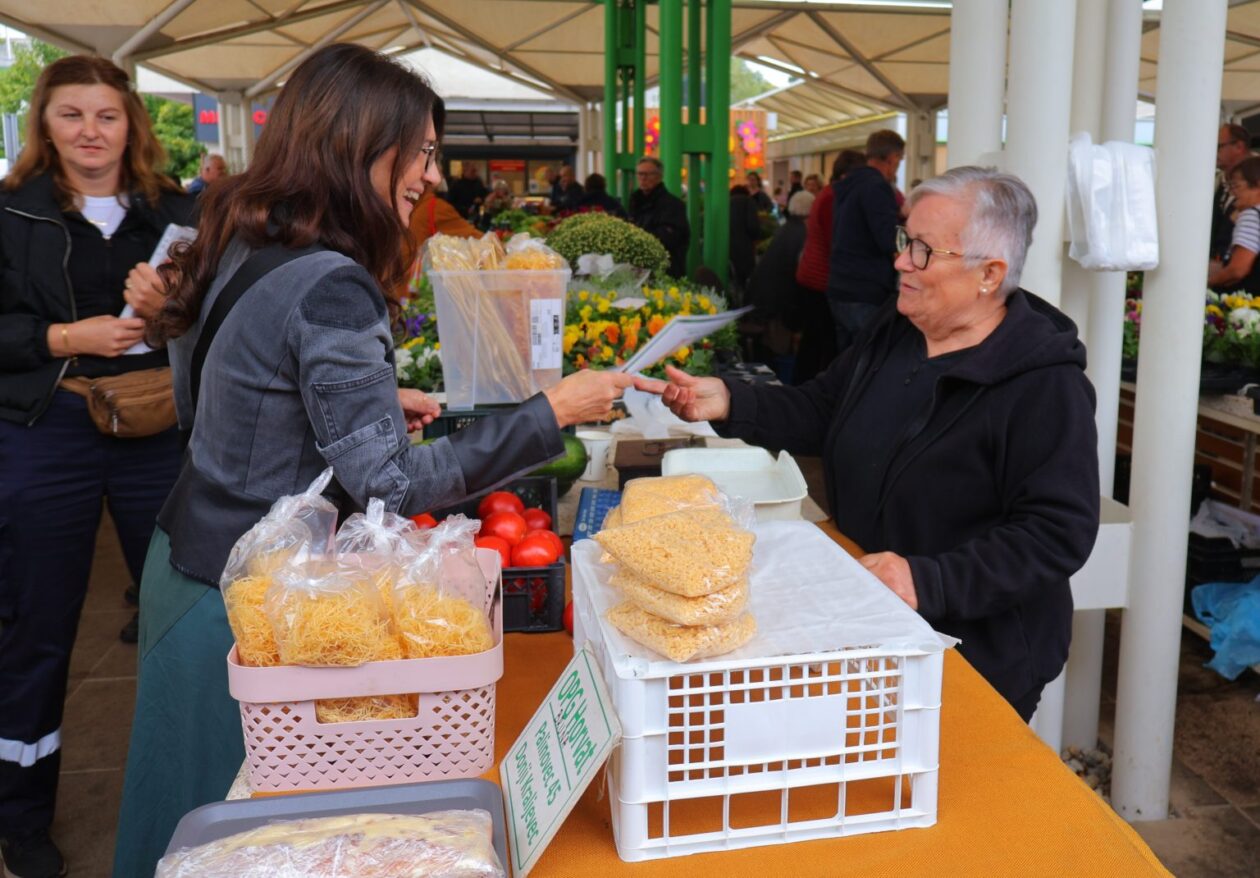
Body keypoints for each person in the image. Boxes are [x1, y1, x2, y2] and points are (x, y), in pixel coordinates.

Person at [110, 43, 634, 877]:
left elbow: (227, 382)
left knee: (183, 817)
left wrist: (367, 404)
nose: (431, 173)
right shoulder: (333, 282)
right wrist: (551, 414)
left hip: (196, 562)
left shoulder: (246, 239)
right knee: (218, 836)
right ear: (359, 144)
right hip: (239, 604)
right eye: (422, 151)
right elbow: (389, 486)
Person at [637, 167, 1100, 722]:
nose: (901, 261)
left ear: (989, 274)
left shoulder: (1044, 384)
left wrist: (926, 580)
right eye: (905, 240)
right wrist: (731, 402)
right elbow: (825, 408)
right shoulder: (898, 329)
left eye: (924, 250)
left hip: (976, 655)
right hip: (869, 621)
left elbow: (1056, 532)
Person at [0, 55, 194, 878]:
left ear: (131, 125)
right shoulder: (14, 215)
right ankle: (22, 815)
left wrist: (169, 310)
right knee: (37, 626)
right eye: (71, 115)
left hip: (158, 427)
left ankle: (197, 798)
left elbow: (222, 314)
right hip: (53, 425)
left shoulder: (178, 212)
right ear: (43, 123)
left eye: (106, 116)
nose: (89, 131)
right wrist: (61, 339)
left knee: (186, 614)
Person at [826, 129, 904, 351]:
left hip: (840, 285)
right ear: (892, 158)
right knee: (868, 363)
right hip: (864, 288)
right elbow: (888, 239)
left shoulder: (850, 184)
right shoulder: (876, 187)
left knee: (846, 366)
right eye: (899, 160)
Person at [793, 150, 865, 383]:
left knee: (814, 343)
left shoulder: (827, 194)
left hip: (812, 276)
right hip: (820, 279)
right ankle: (807, 394)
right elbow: (836, 240)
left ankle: (802, 389)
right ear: (846, 176)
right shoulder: (834, 198)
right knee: (820, 345)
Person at [629, 156, 690, 278]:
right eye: (640, 174)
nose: (643, 178)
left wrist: (636, 237)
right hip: (638, 268)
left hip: (665, 270)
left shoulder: (673, 205)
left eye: (648, 174)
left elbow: (671, 238)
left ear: (659, 176)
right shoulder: (635, 201)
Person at [1209, 156, 1260, 291]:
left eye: (1236, 186)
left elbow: (1238, 270)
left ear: (1257, 184)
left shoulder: (1252, 214)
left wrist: (1208, 283)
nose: (1232, 193)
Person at [1212, 124, 1253, 261]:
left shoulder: (1256, 175)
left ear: (1239, 147)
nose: (1213, 151)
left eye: (1219, 146)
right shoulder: (1217, 180)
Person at [728, 184, 764, 293]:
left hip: (727, 247)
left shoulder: (726, 202)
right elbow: (753, 226)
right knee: (744, 282)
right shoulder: (749, 202)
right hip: (744, 248)